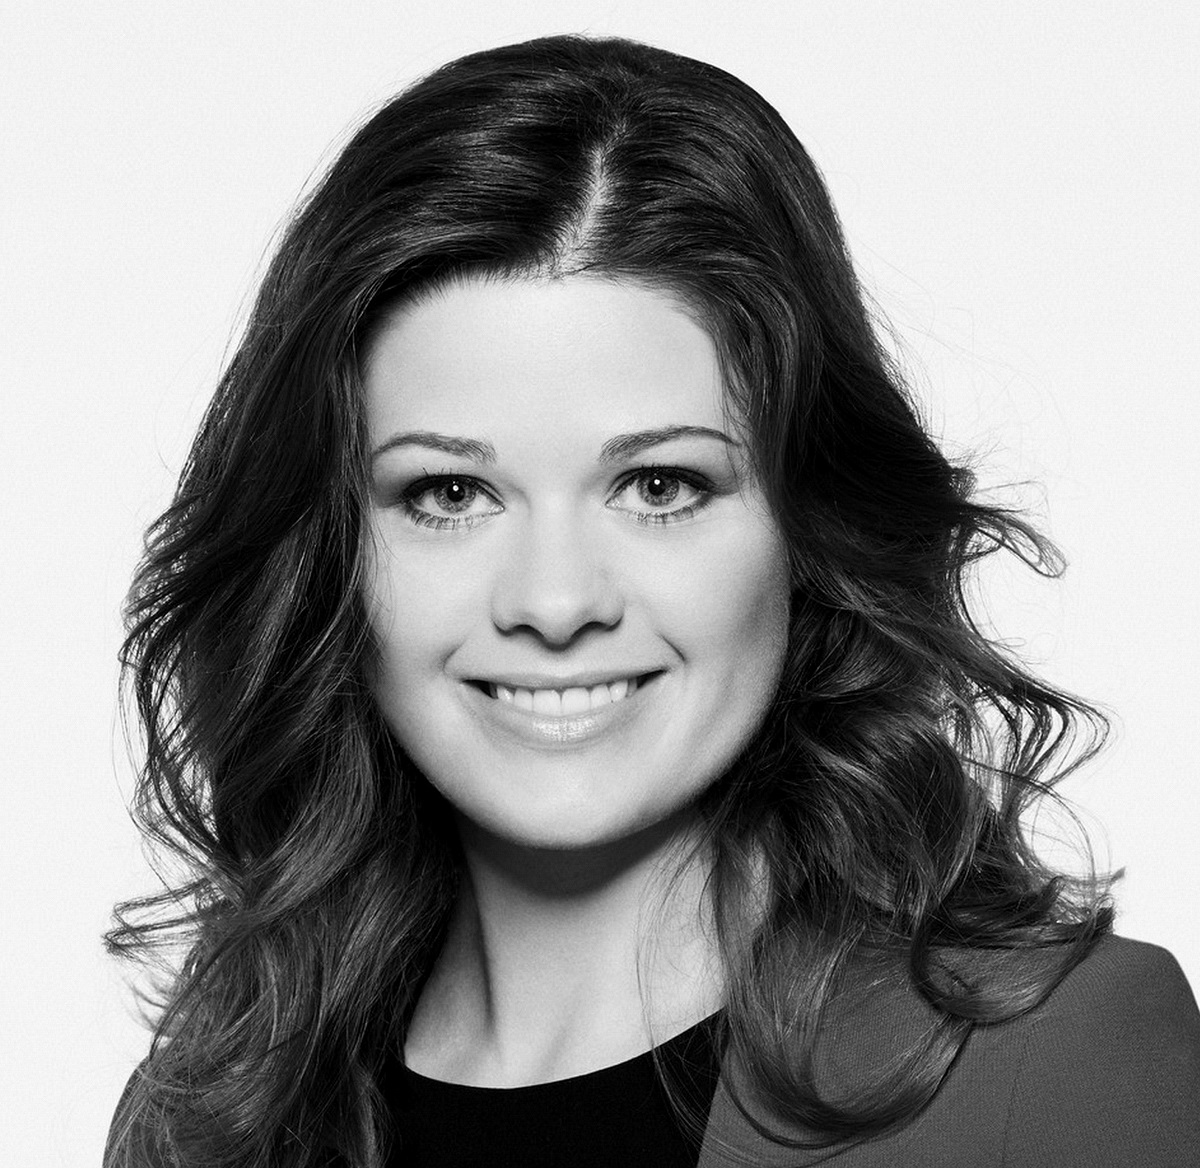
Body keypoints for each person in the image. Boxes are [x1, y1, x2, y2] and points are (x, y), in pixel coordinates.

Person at [104, 33, 1200, 1168]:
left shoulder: (1054, 1064)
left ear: (806, 527)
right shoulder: (204, 1117)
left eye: (660, 486)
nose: (555, 600)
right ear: (331, 551)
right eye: (449, 493)